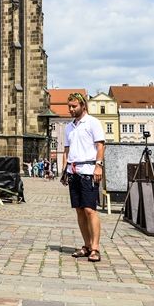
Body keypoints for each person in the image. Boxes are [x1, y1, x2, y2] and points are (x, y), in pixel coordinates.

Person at [61, 92, 105, 263]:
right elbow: (66, 150)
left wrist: (98, 166)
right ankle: (86, 246)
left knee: (90, 210)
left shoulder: (93, 122)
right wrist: (65, 171)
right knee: (79, 210)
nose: (71, 109)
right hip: (73, 171)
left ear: (83, 106)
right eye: (69, 107)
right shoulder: (69, 127)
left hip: (88, 170)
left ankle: (95, 248)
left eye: (74, 106)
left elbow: (100, 146)